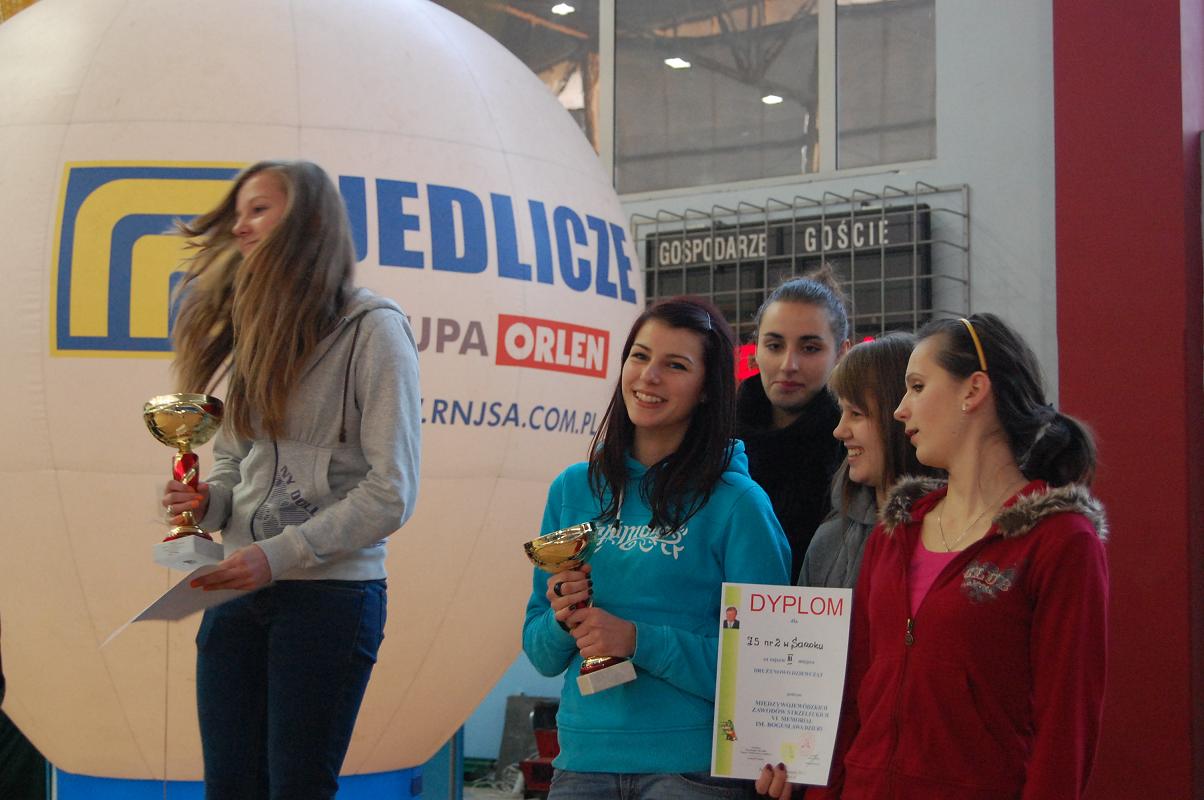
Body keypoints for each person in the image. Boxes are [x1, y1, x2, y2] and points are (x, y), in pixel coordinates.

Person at [758, 313, 1107, 800]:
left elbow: (1065, 729)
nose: (901, 410)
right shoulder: (897, 531)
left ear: (974, 390)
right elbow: (856, 698)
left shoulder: (1059, 541)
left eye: (918, 387)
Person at [159, 160, 421, 799]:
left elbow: (391, 492)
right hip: (238, 594)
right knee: (229, 787)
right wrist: (208, 502)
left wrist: (276, 556)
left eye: (259, 209)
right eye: (239, 212)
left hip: (330, 599)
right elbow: (233, 460)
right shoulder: (259, 330)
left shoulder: (374, 329)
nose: (240, 227)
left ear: (306, 221)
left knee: (297, 787)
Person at [523, 297, 791, 799]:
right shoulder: (572, 489)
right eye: (640, 356)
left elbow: (765, 669)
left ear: (707, 389)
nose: (649, 376)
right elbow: (540, 652)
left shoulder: (739, 505)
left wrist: (636, 640)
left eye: (675, 365)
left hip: (691, 770)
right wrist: (561, 618)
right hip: (581, 763)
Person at [798, 333, 940, 589]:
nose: (839, 431)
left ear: (901, 416)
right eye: (842, 411)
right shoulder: (828, 542)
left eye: (856, 413)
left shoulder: (954, 537)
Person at [737, 266, 851, 580]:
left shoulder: (857, 448)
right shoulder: (716, 440)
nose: (789, 365)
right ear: (756, 349)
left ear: (842, 353)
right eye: (774, 346)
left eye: (810, 348)